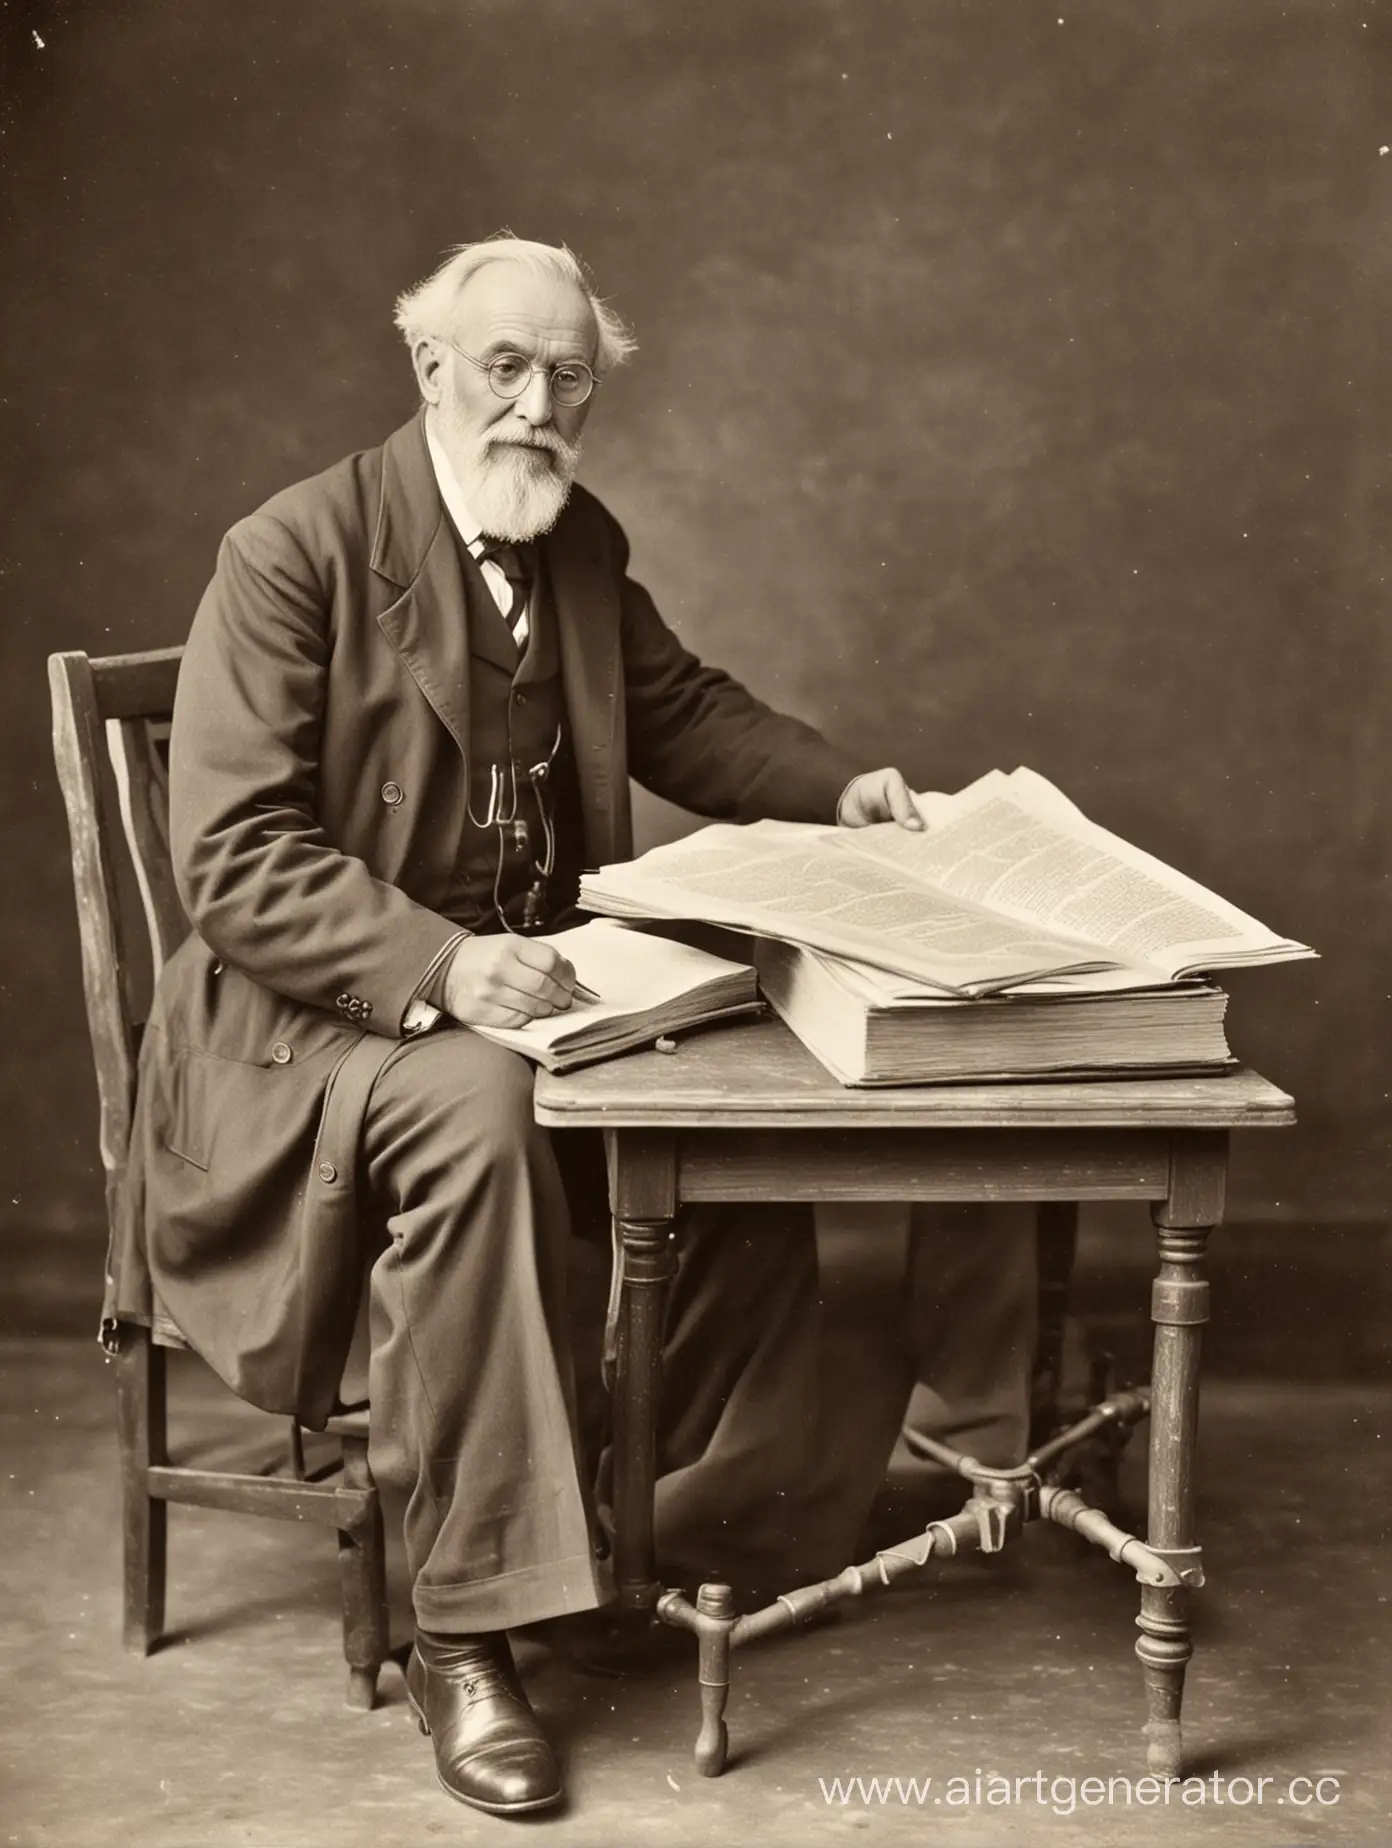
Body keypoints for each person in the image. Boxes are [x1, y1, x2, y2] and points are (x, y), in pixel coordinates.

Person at [111, 234, 1033, 1819]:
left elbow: (688, 711)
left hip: (522, 996)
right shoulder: (291, 552)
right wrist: (438, 967)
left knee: (734, 1087)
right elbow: (233, 862)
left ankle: (594, 1517)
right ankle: (459, 1628)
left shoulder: (576, 546)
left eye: (570, 378)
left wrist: (844, 793)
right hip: (303, 1030)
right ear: (430, 372)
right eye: (505, 371)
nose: (538, 406)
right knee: (480, 1111)